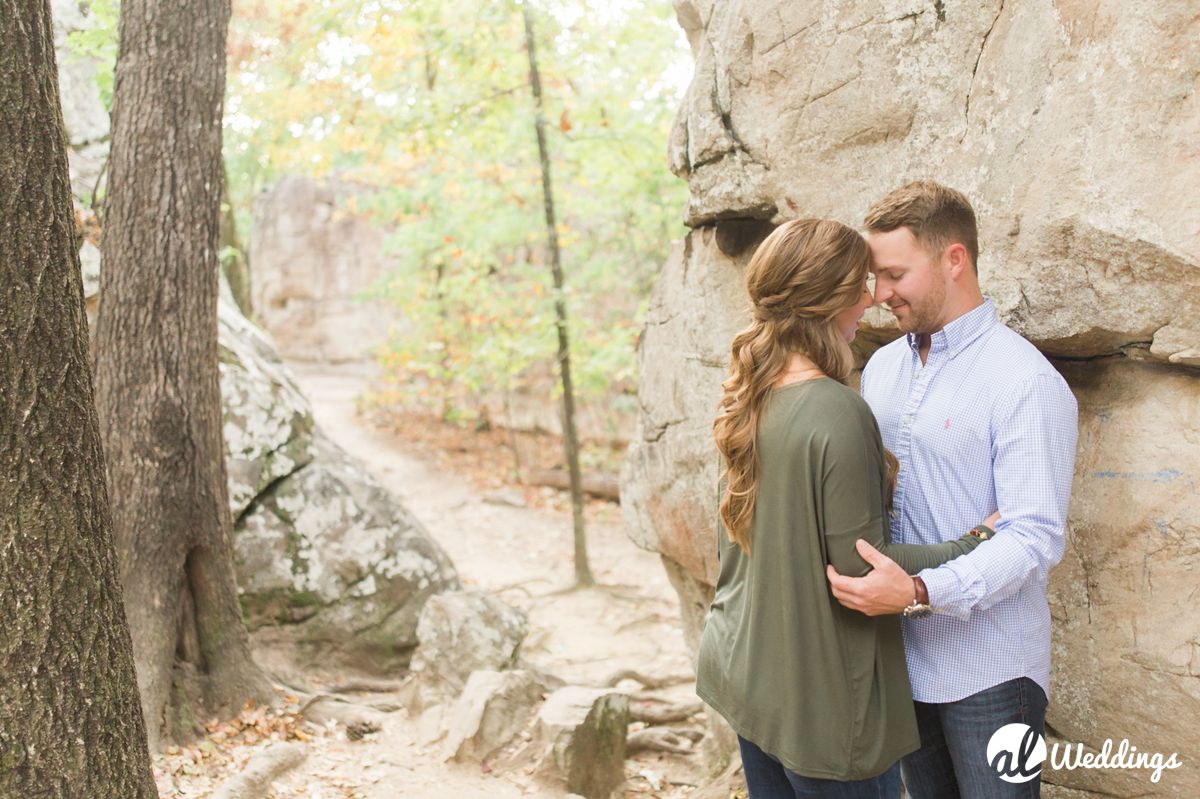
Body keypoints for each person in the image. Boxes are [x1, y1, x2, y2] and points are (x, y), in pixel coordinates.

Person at [696, 218, 1000, 799]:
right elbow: (863, 566)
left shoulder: (751, 396)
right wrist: (976, 540)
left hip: (745, 678)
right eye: (861, 283)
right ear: (829, 299)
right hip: (824, 715)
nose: (873, 298)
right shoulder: (835, 410)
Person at [826, 181, 1078, 799]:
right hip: (901, 665)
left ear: (954, 259)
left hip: (991, 672)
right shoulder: (881, 367)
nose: (879, 295)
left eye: (893, 274)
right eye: (874, 277)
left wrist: (916, 588)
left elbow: (1034, 537)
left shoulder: (1024, 382)